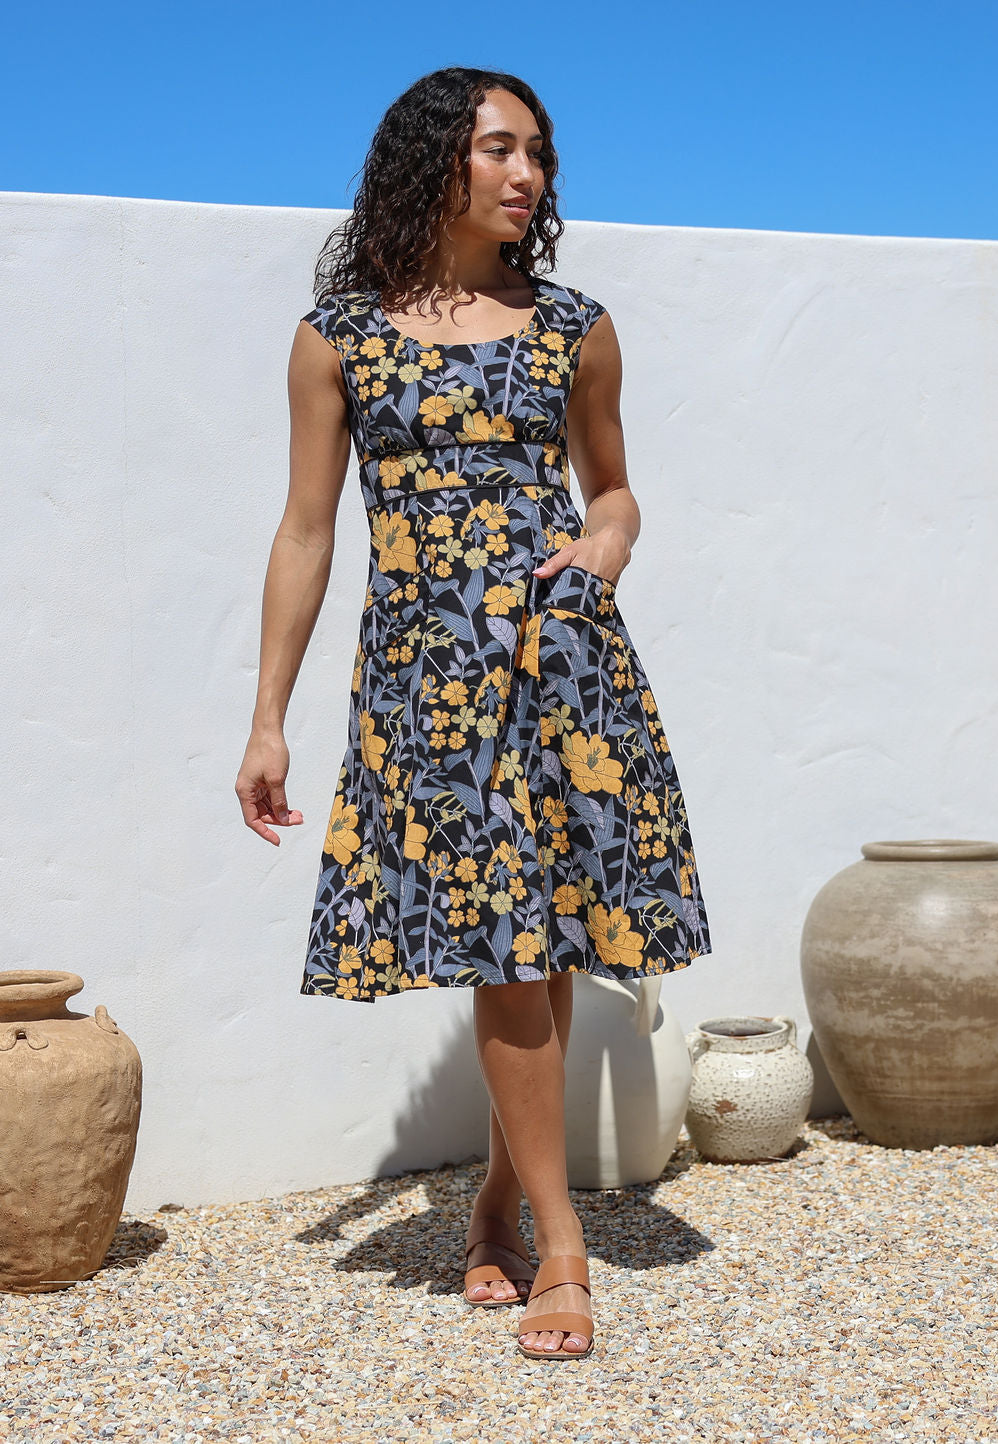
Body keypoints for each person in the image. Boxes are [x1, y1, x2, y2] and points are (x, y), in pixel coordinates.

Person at [235, 66, 712, 1362]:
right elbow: (307, 530)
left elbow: (614, 491)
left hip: (563, 665)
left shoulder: (574, 329)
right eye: (499, 148)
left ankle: (504, 1202)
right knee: (503, 941)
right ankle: (563, 1242)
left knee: (539, 941)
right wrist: (269, 717)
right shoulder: (340, 337)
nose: (526, 174)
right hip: (426, 681)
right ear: (432, 161)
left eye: (537, 154)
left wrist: (606, 544)